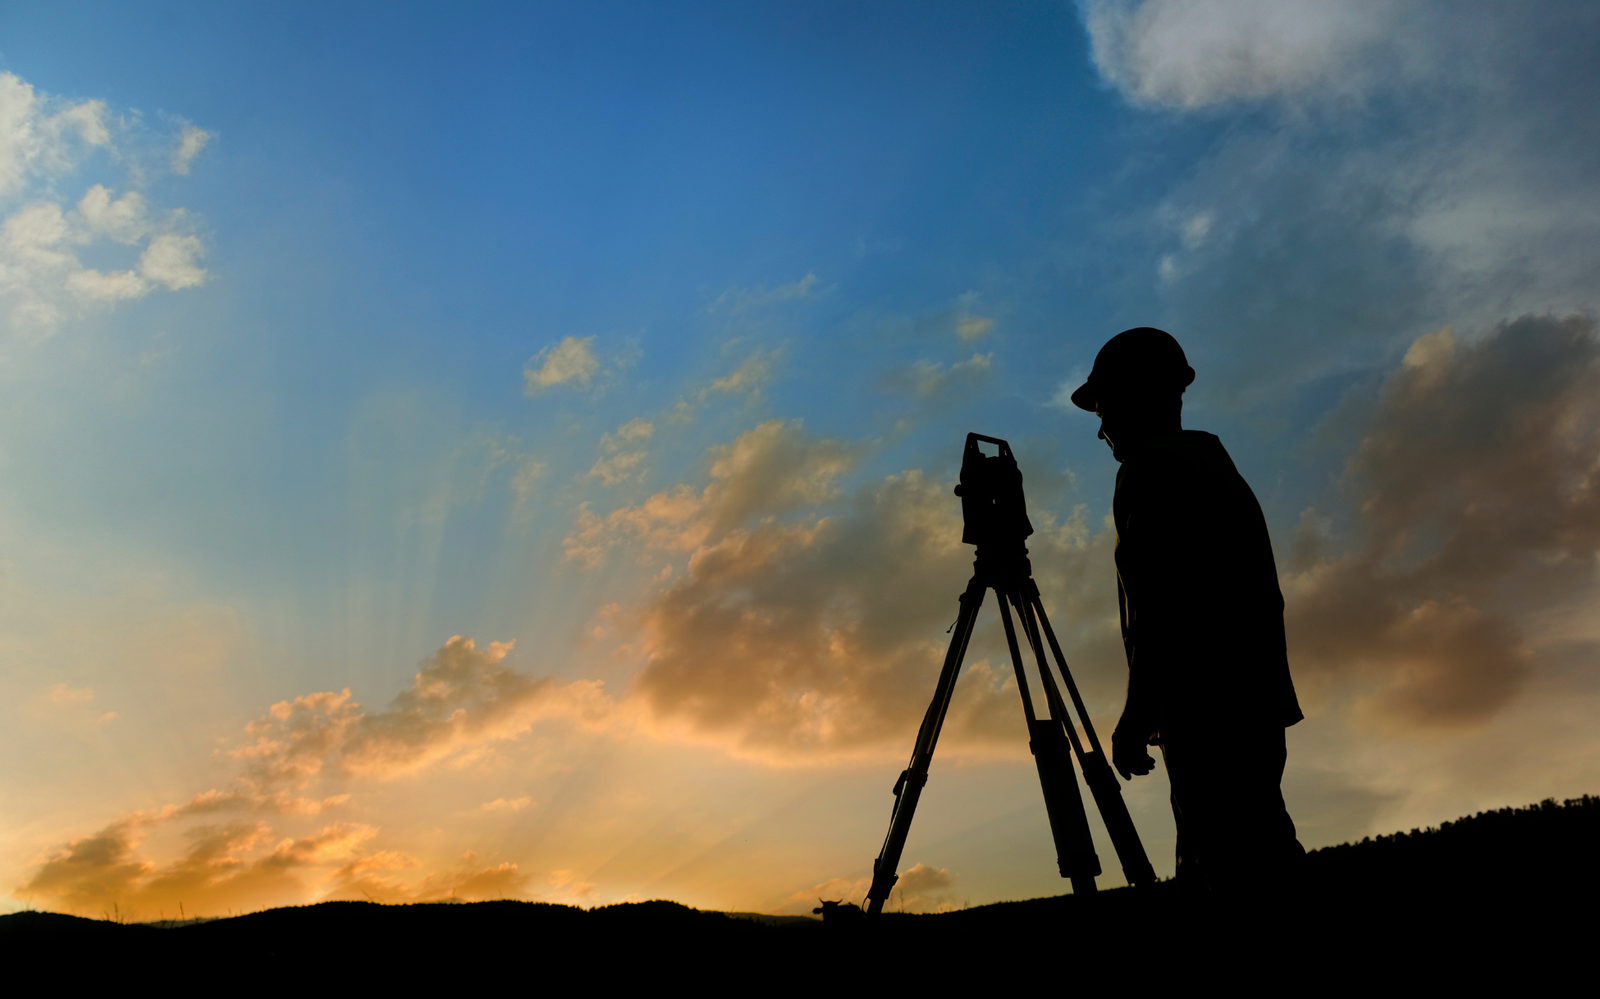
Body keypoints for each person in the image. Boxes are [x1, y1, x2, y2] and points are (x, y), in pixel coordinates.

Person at [1069, 327, 1305, 896]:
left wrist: (1136, 715)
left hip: (1207, 709)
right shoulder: (1213, 465)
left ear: (1136, 397)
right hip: (1253, 702)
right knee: (1265, 855)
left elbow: (1163, 603)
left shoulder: (1149, 470)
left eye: (1104, 410)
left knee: (1226, 869)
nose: (1101, 430)